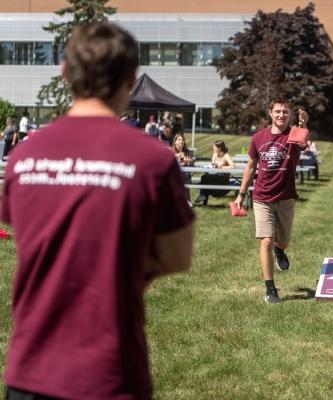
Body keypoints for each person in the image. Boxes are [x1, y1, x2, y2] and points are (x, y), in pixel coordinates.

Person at [0, 22, 195, 400]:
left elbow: (29, 230)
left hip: (29, 372)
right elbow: (176, 257)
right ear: (130, 79)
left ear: (65, 72)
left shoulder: (23, 158)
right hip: (109, 374)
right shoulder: (153, 159)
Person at [234, 97, 309, 304]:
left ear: (289, 114)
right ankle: (271, 289)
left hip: (286, 198)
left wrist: (303, 125)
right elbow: (250, 167)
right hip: (262, 197)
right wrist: (241, 194)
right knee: (266, 240)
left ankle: (280, 249)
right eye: (278, 111)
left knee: (282, 240)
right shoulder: (258, 137)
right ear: (270, 113)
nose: (281, 115)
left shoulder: (294, 134)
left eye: (285, 112)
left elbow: (302, 143)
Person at [194, 140, 236, 206]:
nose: (213, 148)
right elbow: (213, 165)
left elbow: (233, 166)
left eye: (214, 147)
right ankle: (202, 195)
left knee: (205, 178)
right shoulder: (215, 155)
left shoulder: (226, 156)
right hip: (216, 177)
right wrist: (213, 163)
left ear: (219, 148)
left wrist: (222, 167)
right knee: (205, 177)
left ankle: (202, 195)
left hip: (223, 179)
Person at [172, 133, 194, 207]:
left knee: (185, 175)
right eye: (179, 140)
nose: (181, 141)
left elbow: (192, 164)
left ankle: (187, 200)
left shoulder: (188, 152)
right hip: (173, 175)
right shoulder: (171, 151)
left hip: (185, 175)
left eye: (182, 140)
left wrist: (189, 161)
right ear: (175, 142)